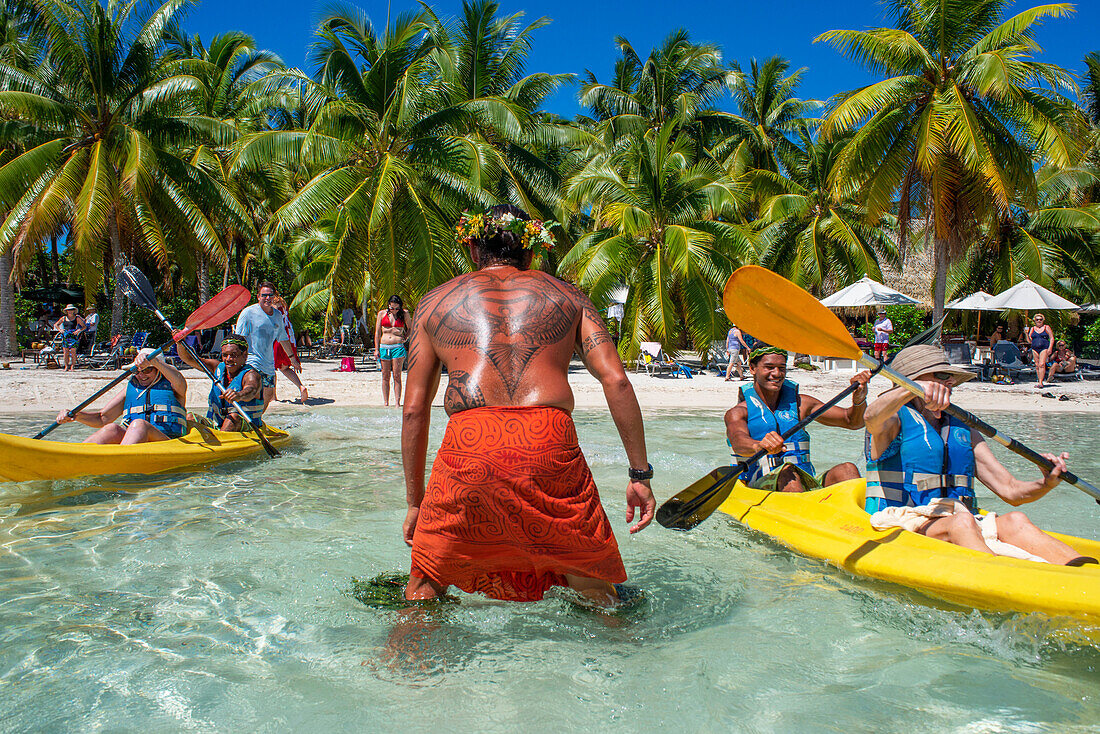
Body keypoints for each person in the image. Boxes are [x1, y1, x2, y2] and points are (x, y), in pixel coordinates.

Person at [401, 204, 656, 606]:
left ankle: (406, 661)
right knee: (591, 583)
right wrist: (640, 474)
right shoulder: (570, 296)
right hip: (548, 440)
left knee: (427, 584)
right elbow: (616, 380)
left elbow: (414, 409)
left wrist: (416, 503)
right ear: (533, 252)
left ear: (472, 248)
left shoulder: (435, 302)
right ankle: (623, 661)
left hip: (470, 443)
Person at [863, 345, 1095, 565]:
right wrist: (909, 390)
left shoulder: (965, 431)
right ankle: (1003, 582)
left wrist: (1046, 483)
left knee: (1016, 520)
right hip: (903, 522)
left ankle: (1085, 573)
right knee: (961, 523)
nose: (950, 381)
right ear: (914, 381)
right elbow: (870, 417)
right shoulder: (890, 422)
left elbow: (1011, 491)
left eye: (950, 376)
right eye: (941, 375)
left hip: (960, 518)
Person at [724, 346, 872, 493]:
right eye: (769, 367)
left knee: (847, 470)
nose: (776, 373)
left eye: (781, 367)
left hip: (803, 484)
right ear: (752, 368)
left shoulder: (803, 404)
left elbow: (852, 421)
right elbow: (738, 442)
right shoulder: (738, 413)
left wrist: (859, 400)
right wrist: (759, 446)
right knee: (787, 472)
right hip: (758, 486)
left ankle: (860, 516)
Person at [54, 348, 188, 443]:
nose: (141, 375)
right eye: (137, 371)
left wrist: (155, 362)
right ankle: (80, 455)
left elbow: (178, 378)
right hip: (136, 440)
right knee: (111, 428)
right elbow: (102, 418)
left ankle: (121, 461)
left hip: (167, 441)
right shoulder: (131, 389)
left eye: (147, 370)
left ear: (160, 370)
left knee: (139, 424)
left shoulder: (174, 386)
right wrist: (75, 415)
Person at [234, 282, 300, 411]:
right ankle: (243, 417)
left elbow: (283, 338)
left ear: (274, 297)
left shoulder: (277, 315)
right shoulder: (248, 313)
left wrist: (292, 358)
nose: (267, 298)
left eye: (270, 295)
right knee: (252, 390)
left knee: (268, 394)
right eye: (264, 295)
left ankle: (257, 419)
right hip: (252, 362)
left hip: (269, 364)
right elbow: (238, 339)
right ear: (258, 296)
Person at [177, 333, 264, 431]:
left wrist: (239, 395)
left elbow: (251, 390)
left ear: (244, 355)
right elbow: (188, 359)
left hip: (246, 427)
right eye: (225, 355)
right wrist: (180, 343)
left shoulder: (251, 375)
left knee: (233, 418)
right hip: (216, 425)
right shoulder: (216, 367)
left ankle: (223, 441)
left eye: (233, 355)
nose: (228, 359)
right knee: (190, 417)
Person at [271, 296, 309, 402]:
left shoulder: (273, 303)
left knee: (271, 367)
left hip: (278, 338)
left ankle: (273, 397)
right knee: (284, 367)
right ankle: (300, 386)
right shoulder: (282, 302)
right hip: (289, 337)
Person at [374, 295, 409, 407]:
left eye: (396, 308)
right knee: (385, 375)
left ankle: (397, 402)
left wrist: (405, 337)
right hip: (384, 346)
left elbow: (411, 328)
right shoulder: (382, 314)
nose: (394, 310)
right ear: (388, 305)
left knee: (397, 375)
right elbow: (377, 332)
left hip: (397, 346)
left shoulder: (404, 314)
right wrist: (376, 349)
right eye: (392, 308)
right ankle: (386, 402)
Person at [1025, 313, 1055, 388]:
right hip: (1034, 348)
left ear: (1043, 320)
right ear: (1034, 320)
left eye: (1040, 319)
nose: (1039, 321)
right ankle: (1039, 381)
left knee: (1042, 364)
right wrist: (1026, 333)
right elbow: (1029, 341)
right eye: (1037, 319)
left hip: (1044, 347)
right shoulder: (1032, 329)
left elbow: (1051, 338)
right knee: (1037, 365)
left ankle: (1041, 382)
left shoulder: (1046, 327)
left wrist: (1050, 348)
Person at [53, 304, 85, 371]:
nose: (70, 311)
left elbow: (84, 326)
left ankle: (72, 366)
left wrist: (78, 330)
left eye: (71, 310)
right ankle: (66, 366)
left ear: (74, 311)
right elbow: (56, 324)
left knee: (73, 352)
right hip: (66, 335)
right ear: (66, 311)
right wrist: (60, 330)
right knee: (66, 352)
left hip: (73, 335)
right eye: (68, 310)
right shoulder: (64, 318)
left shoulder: (77, 318)